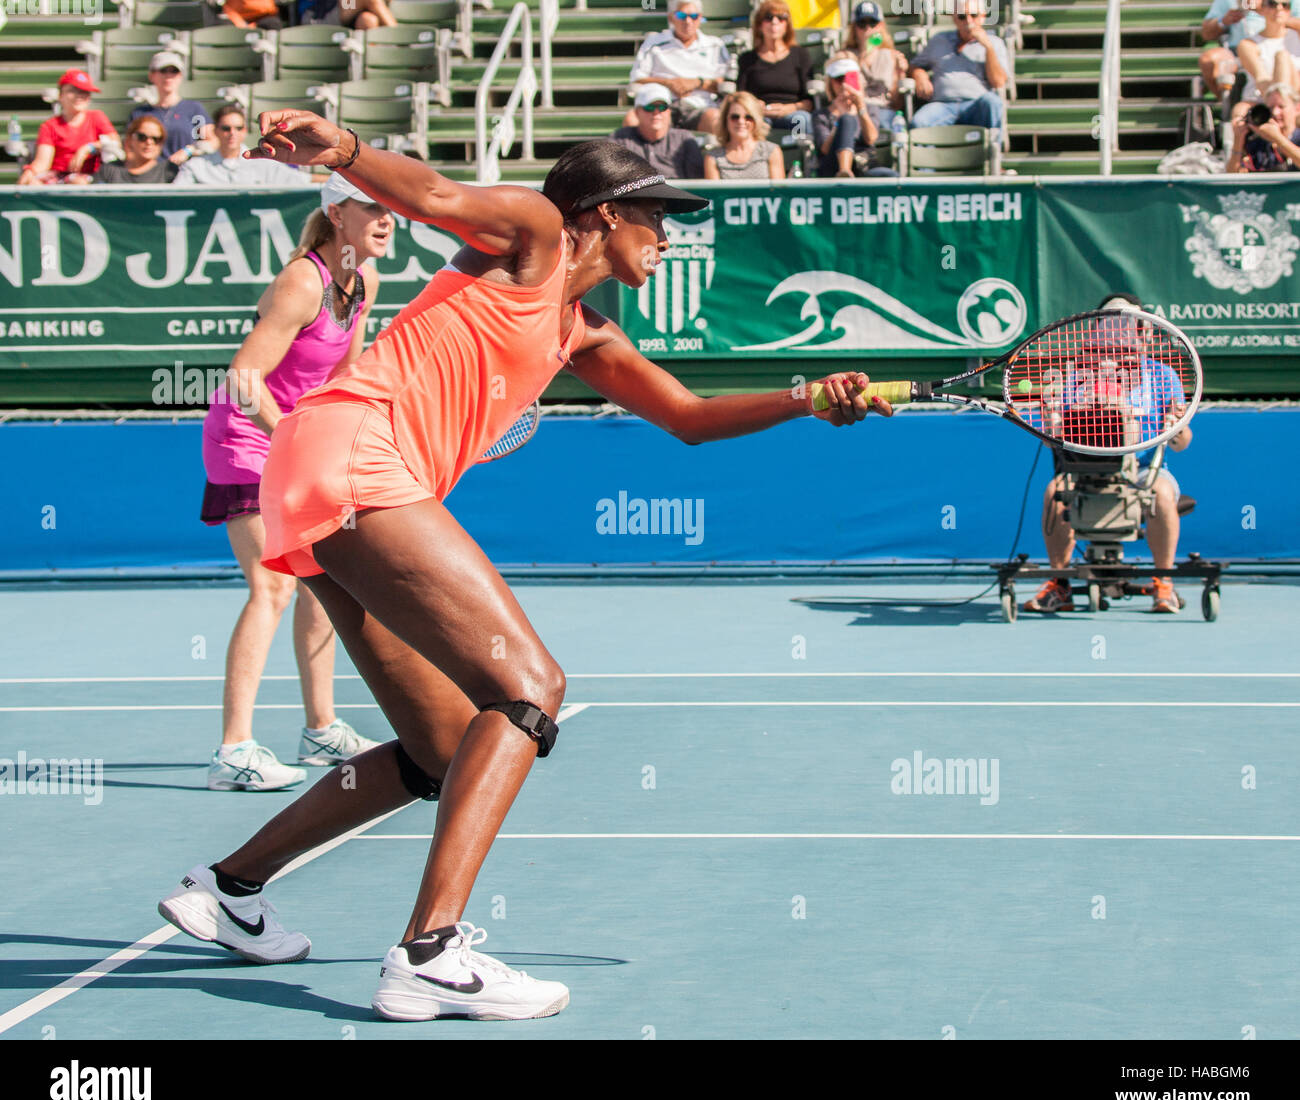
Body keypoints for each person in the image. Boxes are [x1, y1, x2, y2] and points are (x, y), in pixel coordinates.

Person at [158, 118, 891, 1021]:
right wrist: (344, 150)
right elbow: (429, 197)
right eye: (656, 218)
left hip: (312, 475)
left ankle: (230, 887)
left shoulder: (579, 329)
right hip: (353, 451)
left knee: (436, 749)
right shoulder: (538, 233)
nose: (668, 238)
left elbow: (689, 418)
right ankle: (430, 949)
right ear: (606, 212)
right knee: (532, 683)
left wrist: (809, 398)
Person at [198, 173, 389, 792]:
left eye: (392, 211)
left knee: (322, 585)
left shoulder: (363, 283)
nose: (387, 220)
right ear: (337, 215)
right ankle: (233, 752)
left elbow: (346, 375)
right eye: (372, 209)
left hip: (295, 444)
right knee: (271, 590)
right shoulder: (303, 280)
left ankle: (321, 729)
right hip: (247, 439)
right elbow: (244, 376)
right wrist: (289, 437)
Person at [1024, 295, 1193, 616]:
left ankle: (1163, 584)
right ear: (1098, 330)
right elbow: (1052, 442)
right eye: (1113, 324)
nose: (1124, 332)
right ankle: (1060, 585)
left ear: (1146, 332)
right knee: (1053, 493)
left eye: (1133, 325)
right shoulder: (1075, 374)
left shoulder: (1163, 375)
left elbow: (1181, 443)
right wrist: (1051, 422)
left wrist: (1177, 427)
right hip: (1085, 470)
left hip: (1145, 472)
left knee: (1160, 493)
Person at [626, 0, 730, 136]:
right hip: (659, 107)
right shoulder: (653, 42)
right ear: (671, 17)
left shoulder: (715, 45)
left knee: (718, 121)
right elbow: (636, 80)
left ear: (700, 18)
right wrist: (669, 83)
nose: (688, 21)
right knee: (631, 120)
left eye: (694, 16)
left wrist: (696, 83)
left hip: (701, 107)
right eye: (682, 15)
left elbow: (725, 84)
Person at [908, 0, 1008, 135]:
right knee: (918, 124)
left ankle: (992, 152)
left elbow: (998, 82)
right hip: (943, 105)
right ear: (954, 19)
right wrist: (920, 75)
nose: (968, 21)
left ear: (983, 16)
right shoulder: (939, 40)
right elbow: (914, 65)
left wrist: (988, 47)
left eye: (974, 15)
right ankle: (931, 156)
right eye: (962, 16)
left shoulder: (995, 43)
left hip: (976, 104)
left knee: (993, 102)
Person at [17, 69, 119, 186]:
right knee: (33, 183)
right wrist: (29, 174)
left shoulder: (97, 117)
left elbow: (114, 142)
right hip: (57, 175)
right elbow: (43, 162)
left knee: (78, 182)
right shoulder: (50, 126)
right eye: (73, 91)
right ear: (61, 95)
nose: (79, 96)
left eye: (84, 92)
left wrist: (87, 148)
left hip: (90, 176)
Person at [174, 103, 313, 186]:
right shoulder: (196, 166)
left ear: (245, 131)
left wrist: (335, 172)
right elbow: (174, 195)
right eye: (226, 128)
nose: (232, 133)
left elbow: (305, 181)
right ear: (216, 131)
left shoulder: (265, 164)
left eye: (238, 128)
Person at [736, 1, 813, 137]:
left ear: (787, 25)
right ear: (759, 25)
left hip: (792, 113)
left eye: (781, 18)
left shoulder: (801, 55)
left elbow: (809, 102)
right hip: (759, 115)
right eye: (768, 17)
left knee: (801, 120)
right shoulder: (747, 59)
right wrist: (754, 106)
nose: (774, 22)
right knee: (751, 124)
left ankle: (799, 156)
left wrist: (789, 108)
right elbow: (740, 97)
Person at [128, 51, 216, 167]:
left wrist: (188, 151)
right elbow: (129, 149)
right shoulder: (140, 113)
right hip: (151, 175)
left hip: (186, 171)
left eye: (174, 71)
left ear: (180, 76)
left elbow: (212, 141)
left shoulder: (194, 109)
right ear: (152, 76)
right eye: (163, 71)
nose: (168, 76)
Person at [812, 58, 890, 178]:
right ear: (830, 83)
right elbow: (825, 149)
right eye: (838, 79)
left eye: (850, 78)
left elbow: (871, 139)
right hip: (833, 167)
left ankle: (847, 173)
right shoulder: (821, 114)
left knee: (889, 175)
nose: (844, 84)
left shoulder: (869, 108)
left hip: (863, 164)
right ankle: (845, 171)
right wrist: (841, 119)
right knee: (847, 120)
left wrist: (860, 108)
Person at [608, 83, 706, 178]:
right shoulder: (619, 140)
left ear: (669, 111)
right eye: (649, 107)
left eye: (662, 107)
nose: (656, 112)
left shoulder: (684, 139)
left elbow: (696, 181)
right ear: (637, 112)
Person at [840, 1, 909, 132]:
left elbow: (896, 103)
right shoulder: (845, 57)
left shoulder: (891, 56)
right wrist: (863, 54)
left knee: (896, 127)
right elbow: (841, 94)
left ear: (881, 26)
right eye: (862, 24)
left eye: (872, 23)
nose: (868, 29)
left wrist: (901, 74)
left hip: (883, 111)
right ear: (854, 28)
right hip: (857, 111)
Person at [703, 91, 786, 179]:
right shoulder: (713, 158)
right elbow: (715, 192)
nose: (741, 122)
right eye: (735, 117)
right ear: (725, 119)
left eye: (748, 117)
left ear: (756, 120)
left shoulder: (772, 151)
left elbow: (778, 191)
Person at [1235, 0, 1300, 103]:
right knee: (1239, 112)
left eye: (1285, 5)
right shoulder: (1248, 44)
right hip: (1261, 100)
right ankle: (1280, 107)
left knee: (1282, 57)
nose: (1279, 8)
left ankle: (1282, 108)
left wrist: (1283, 20)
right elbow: (1261, 79)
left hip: (1293, 102)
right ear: (1262, 8)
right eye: (1272, 4)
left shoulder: (1297, 35)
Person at [1200, 0, 1267, 99]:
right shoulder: (1227, 1)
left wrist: (1266, 10)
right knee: (1208, 60)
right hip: (1235, 52)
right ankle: (1228, 105)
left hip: (1275, 47)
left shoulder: (1281, 6)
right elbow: (1206, 33)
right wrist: (1223, 21)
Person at [1227, 82, 1300, 168]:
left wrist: (1278, 139)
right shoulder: (1258, 141)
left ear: (1297, 108)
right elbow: (1232, 176)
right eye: (1270, 108)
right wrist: (1238, 140)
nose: (1275, 113)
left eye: (1281, 107)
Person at [92, 114, 177, 185]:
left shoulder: (169, 171)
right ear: (130, 140)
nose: (149, 142)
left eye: (156, 139)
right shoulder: (109, 170)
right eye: (142, 137)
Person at [219, 0, 286, 30]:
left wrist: (253, 26)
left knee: (273, 23)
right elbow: (228, 8)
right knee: (223, 27)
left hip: (264, 17)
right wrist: (241, 24)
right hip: (238, 19)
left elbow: (267, 7)